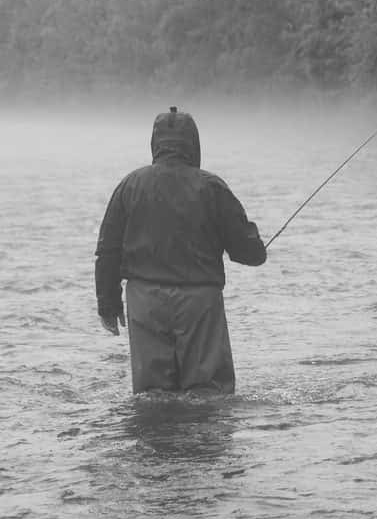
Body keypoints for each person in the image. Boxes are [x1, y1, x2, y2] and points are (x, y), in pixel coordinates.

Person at [94, 107, 267, 393]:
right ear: (194, 144)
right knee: (209, 394)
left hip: (144, 301)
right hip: (199, 302)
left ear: (155, 144)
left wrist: (108, 306)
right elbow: (247, 252)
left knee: (152, 396)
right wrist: (256, 246)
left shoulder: (129, 185)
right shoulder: (211, 187)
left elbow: (108, 251)